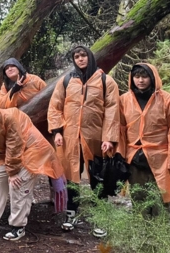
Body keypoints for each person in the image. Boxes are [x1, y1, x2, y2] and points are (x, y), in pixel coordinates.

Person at [0, 91, 66, 243]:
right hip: (9, 157)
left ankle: (18, 226)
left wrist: (13, 172)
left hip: (32, 151)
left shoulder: (8, 117)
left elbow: (15, 143)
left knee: (18, 184)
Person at [47, 46, 119, 237]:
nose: (80, 59)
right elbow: (55, 106)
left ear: (90, 57)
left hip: (96, 138)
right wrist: (57, 131)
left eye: (83, 55)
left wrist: (109, 138)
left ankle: (100, 217)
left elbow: (112, 110)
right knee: (72, 176)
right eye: (76, 56)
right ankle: (71, 214)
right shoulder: (67, 80)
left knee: (98, 177)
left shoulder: (105, 81)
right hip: (70, 137)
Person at [118, 63, 170, 209]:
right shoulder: (124, 100)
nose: (140, 80)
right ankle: (141, 230)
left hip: (161, 158)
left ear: (152, 78)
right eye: (137, 76)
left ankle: (160, 230)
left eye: (144, 76)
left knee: (161, 199)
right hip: (134, 158)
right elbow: (119, 129)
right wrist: (120, 155)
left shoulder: (168, 100)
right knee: (139, 200)